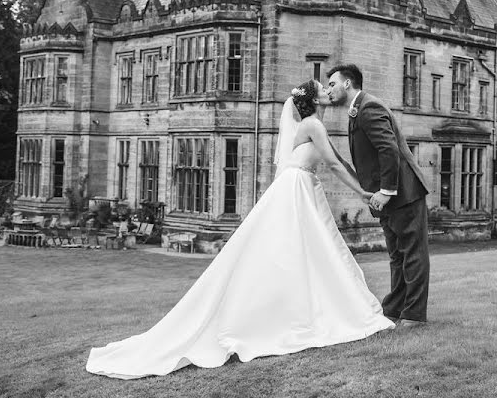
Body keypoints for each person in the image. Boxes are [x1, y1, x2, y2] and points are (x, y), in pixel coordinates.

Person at [85, 80, 394, 380]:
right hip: (296, 188)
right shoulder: (313, 124)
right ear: (313, 101)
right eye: (322, 89)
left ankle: (303, 310)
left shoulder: (313, 124)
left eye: (330, 86)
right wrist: (365, 194)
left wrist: (368, 188)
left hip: (301, 186)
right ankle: (301, 315)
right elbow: (336, 165)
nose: (328, 90)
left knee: (307, 252)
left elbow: (337, 161)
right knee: (301, 251)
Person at [326, 64, 430, 328]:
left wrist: (386, 191)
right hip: (386, 197)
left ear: (347, 84)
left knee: (413, 253)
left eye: (332, 84)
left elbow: (388, 149)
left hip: (404, 193)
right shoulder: (357, 110)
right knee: (397, 254)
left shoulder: (369, 107)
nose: (329, 90)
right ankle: (395, 308)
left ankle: (414, 315)